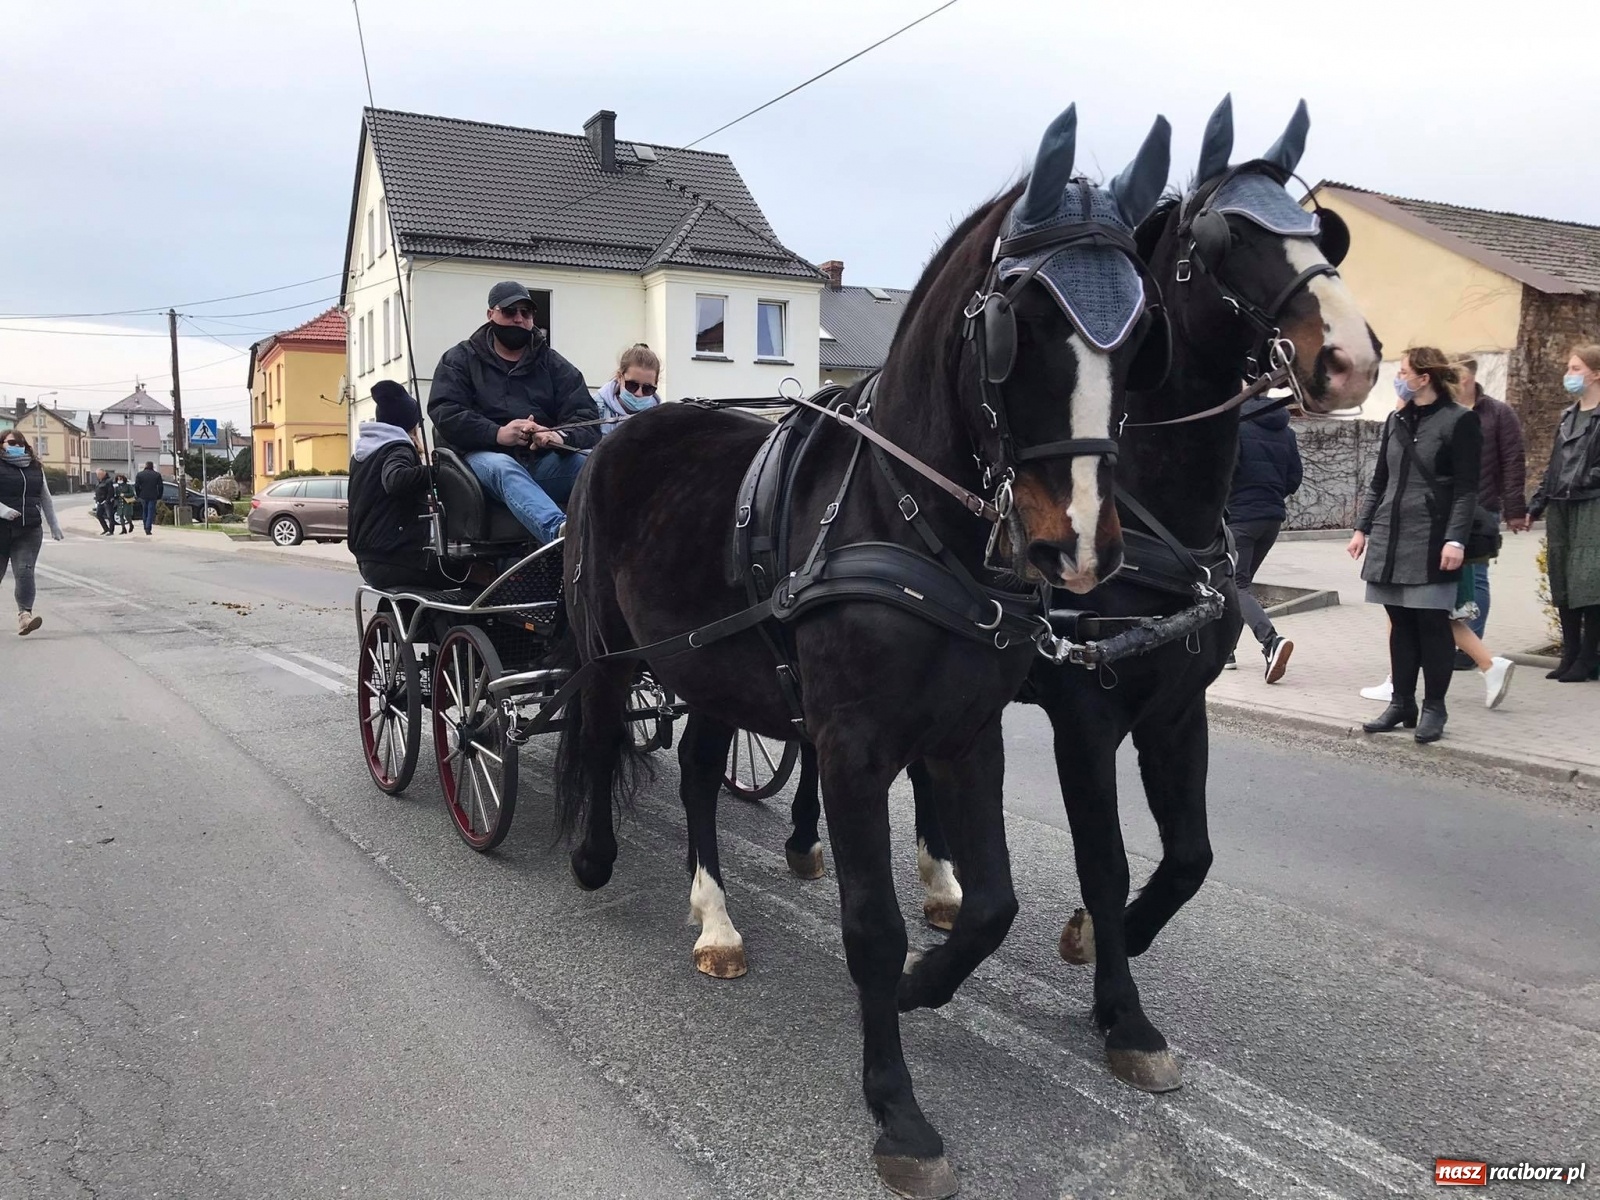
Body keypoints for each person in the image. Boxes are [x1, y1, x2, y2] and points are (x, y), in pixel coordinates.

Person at [1347, 348, 1481, 743]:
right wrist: (1361, 529)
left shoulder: (1461, 421)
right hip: (1391, 535)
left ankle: (1434, 708)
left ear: (1425, 378)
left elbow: (1466, 489)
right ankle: (1402, 702)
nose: (1399, 377)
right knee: (1400, 623)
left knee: (1432, 624)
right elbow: (1379, 482)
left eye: (1404, 371)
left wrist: (1455, 538)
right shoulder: (1396, 419)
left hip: (1433, 538)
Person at [426, 282, 601, 543]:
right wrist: (498, 434)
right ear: (490, 315)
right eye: (509, 311)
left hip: (542, 462)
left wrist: (557, 436)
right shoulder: (459, 359)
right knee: (504, 467)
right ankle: (562, 535)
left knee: (594, 465)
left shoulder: (554, 365)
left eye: (526, 313)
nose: (518, 318)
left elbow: (587, 417)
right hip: (479, 463)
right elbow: (445, 412)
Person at [1516, 344, 1600, 682]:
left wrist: (1582, 478)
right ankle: (1570, 653)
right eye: (1569, 368)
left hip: (1592, 503)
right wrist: (1534, 506)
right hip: (1561, 504)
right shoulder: (1567, 416)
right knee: (1563, 576)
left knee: (1589, 580)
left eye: (1576, 369)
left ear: (1596, 374)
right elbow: (1553, 467)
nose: (1569, 375)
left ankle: (1588, 656)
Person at [349, 381, 455, 590]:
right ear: (410, 424)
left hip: (369, 558)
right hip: (397, 558)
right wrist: (436, 472)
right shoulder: (398, 448)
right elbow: (395, 480)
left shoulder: (365, 453)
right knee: (471, 571)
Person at [1452, 357, 1526, 654]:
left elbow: (1512, 460)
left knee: (1477, 577)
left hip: (1482, 510)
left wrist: (1515, 509)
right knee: (1449, 578)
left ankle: (1471, 648)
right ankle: (1450, 640)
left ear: (1465, 378)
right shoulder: (1444, 411)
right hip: (1447, 508)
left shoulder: (1498, 413)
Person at [1225, 393, 1301, 682]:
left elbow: (1228, 472)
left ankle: (1271, 642)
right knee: (1238, 587)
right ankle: (1227, 652)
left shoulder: (1239, 426)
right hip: (1271, 519)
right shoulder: (1287, 432)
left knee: (1235, 586)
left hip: (1241, 519)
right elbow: (1294, 478)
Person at [0, 430, 65, 635]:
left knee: (25, 571)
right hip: (1, 529)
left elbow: (45, 496)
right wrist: (3, 510)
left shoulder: (35, 466)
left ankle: (25, 616)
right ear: (2, 443)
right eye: (11, 442)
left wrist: (54, 525)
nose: (16, 445)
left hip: (28, 529)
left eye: (20, 443)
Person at [594, 344, 662, 435]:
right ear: (619, 377)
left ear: (656, 384)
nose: (639, 393)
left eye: (648, 388)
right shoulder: (594, 408)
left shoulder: (661, 418)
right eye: (632, 385)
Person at [134, 461, 163, 535]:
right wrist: (159, 495)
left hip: (143, 495)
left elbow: (136, 486)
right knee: (150, 512)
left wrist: (138, 494)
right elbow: (160, 487)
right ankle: (148, 527)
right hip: (153, 496)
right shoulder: (157, 475)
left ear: (145, 466)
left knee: (144, 511)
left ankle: (145, 525)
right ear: (152, 466)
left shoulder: (140, 475)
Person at [92, 469, 116, 535]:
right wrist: (97, 499)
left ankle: (111, 531)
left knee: (110, 516)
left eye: (99, 474)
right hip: (100, 502)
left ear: (104, 474)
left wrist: (107, 500)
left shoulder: (108, 481)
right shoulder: (99, 482)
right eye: (97, 475)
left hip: (107, 502)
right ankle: (105, 529)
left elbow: (110, 492)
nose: (98, 476)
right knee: (99, 515)